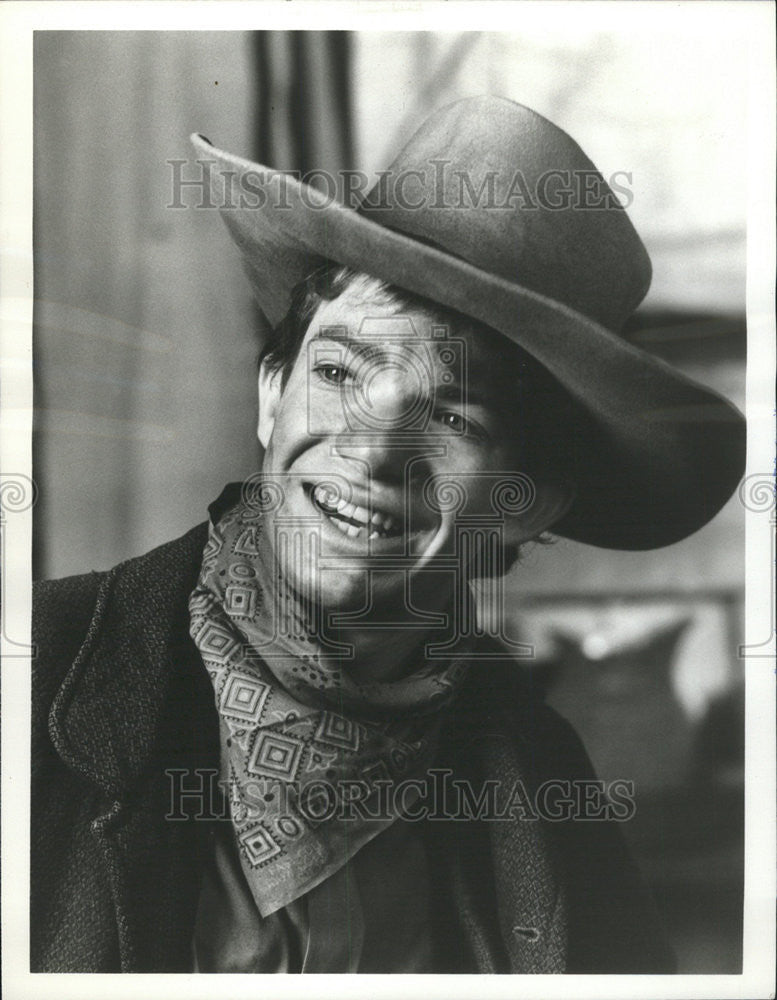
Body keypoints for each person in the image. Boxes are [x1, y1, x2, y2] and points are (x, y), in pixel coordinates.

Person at [30, 96, 745, 973]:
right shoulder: (35, 677)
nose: (370, 454)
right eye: (336, 372)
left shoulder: (536, 775)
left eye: (451, 414)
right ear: (269, 391)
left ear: (529, 502)